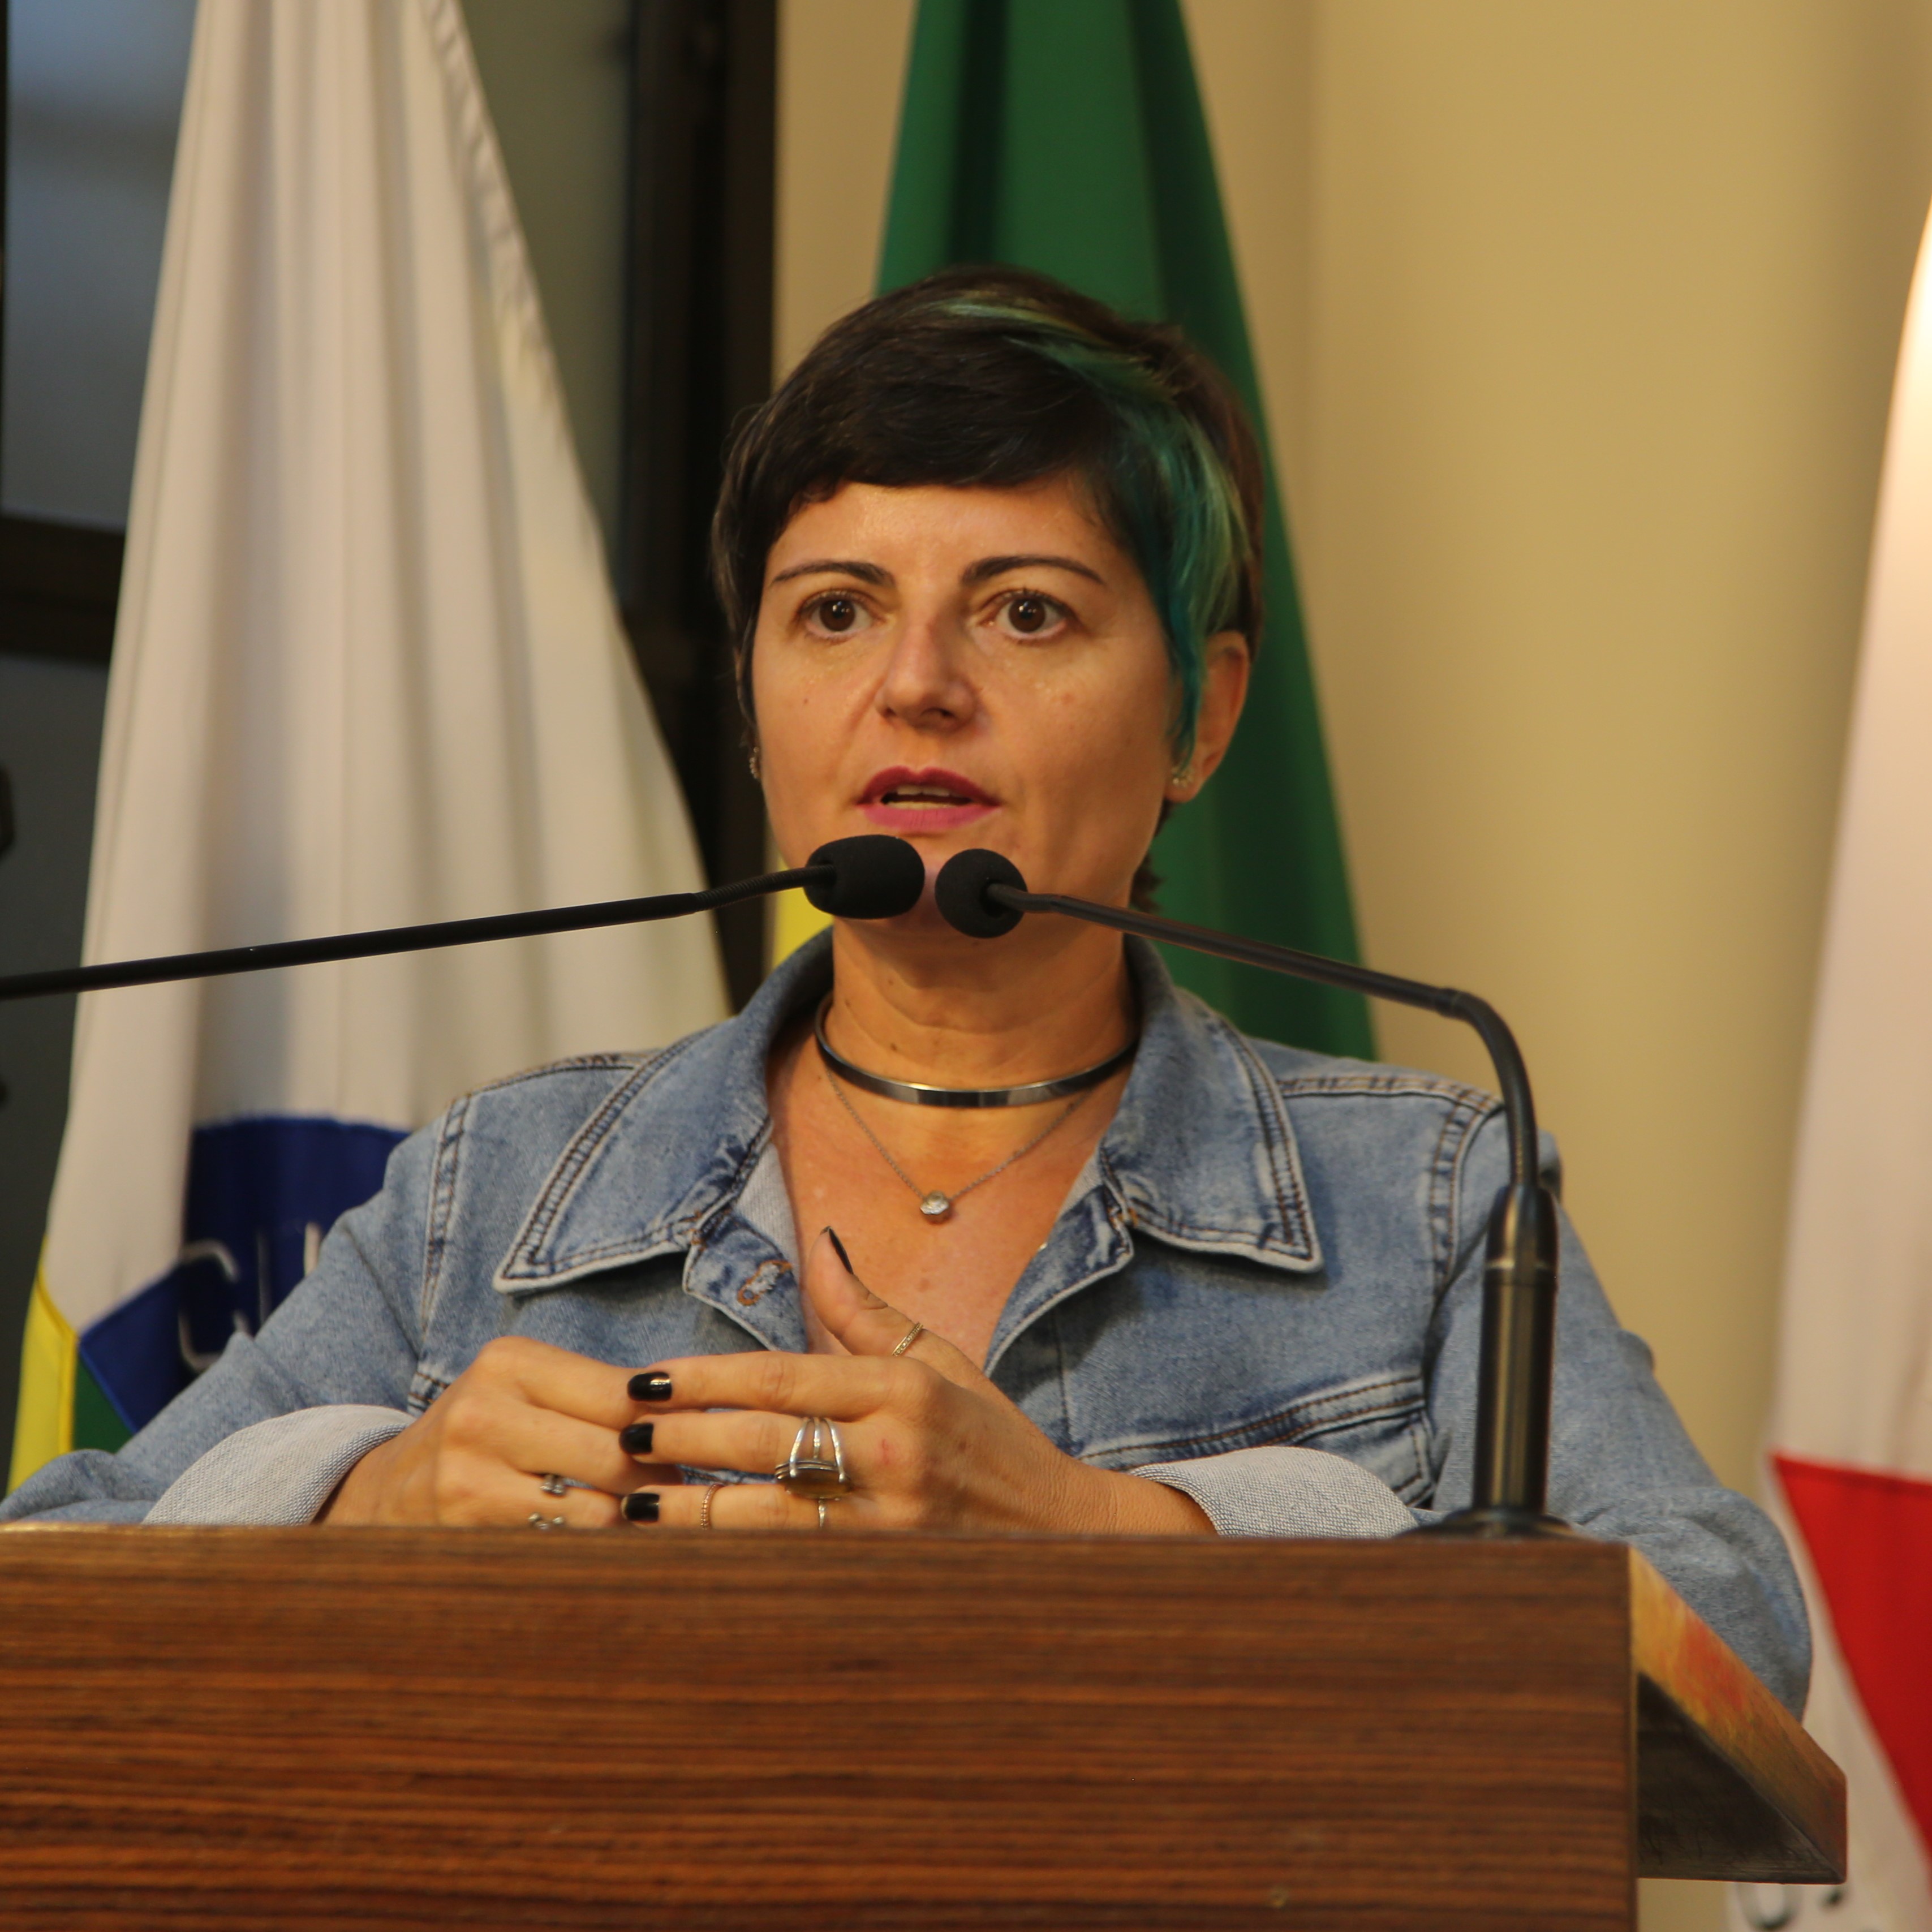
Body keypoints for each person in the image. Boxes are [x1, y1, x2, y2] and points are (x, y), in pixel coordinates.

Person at [1, 267, 1808, 1713]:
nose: (916, 684)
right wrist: (365, 1498)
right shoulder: (504, 1188)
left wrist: (1129, 1537)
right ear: (757, 699)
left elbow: (1725, 1628)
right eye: (836, 611)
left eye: (1025, 612)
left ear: (1203, 715)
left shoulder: (1424, 1194)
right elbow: (50, 1564)